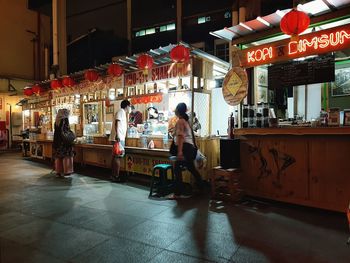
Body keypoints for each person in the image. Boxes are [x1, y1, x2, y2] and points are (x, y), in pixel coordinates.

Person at [173, 103, 205, 197]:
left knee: (177, 168)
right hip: (190, 149)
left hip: (185, 148)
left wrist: (179, 152)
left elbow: (180, 137)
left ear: (178, 111)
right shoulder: (186, 122)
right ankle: (202, 188)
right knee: (191, 168)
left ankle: (177, 193)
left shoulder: (180, 122)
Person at [110, 99, 131, 182]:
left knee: (115, 157)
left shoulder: (122, 113)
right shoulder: (121, 112)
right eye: (130, 106)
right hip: (118, 139)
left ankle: (113, 175)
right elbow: (117, 124)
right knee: (117, 157)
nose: (130, 108)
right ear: (127, 106)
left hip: (118, 138)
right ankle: (116, 176)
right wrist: (118, 136)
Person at [53, 109, 74, 177]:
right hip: (64, 141)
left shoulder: (56, 121)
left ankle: (59, 171)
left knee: (59, 157)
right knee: (67, 156)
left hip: (57, 142)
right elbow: (66, 130)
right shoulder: (65, 119)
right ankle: (67, 171)